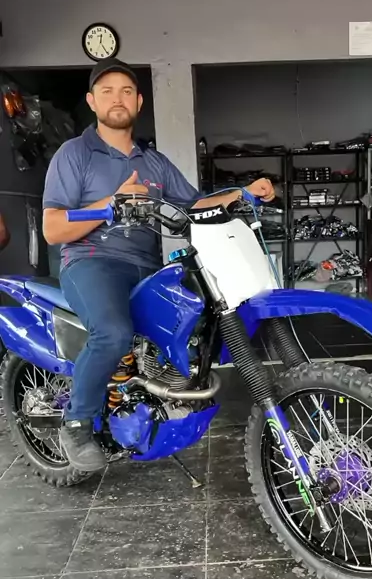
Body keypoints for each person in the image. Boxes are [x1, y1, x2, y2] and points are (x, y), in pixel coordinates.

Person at [42, 58, 275, 472]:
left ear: (139, 102)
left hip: (147, 266)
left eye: (127, 91)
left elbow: (194, 205)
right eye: (107, 91)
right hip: (92, 263)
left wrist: (242, 192)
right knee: (113, 333)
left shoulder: (154, 162)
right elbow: (53, 227)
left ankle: (158, 399)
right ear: (92, 101)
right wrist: (110, 204)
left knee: (197, 320)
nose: (118, 98)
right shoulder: (74, 154)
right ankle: (76, 423)